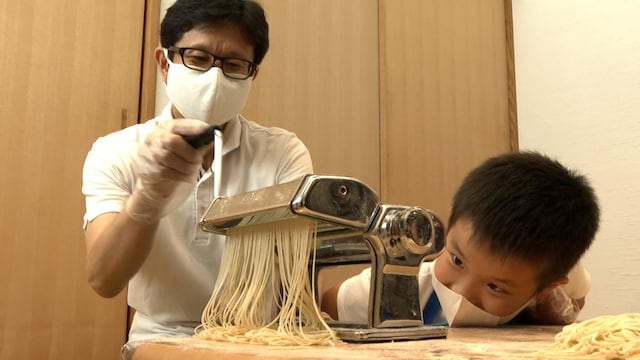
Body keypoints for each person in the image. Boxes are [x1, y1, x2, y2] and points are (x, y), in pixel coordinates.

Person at [81, 0, 313, 342]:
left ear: (253, 74)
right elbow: (104, 279)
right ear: (164, 63)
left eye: (234, 64)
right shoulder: (116, 152)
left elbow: (295, 277)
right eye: (198, 58)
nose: (215, 78)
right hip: (160, 339)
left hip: (256, 339)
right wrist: (148, 197)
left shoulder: (282, 153)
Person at [321, 151, 600, 327]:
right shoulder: (401, 289)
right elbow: (330, 302)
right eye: (457, 260)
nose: (463, 290)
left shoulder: (551, 273)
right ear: (450, 223)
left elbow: (578, 294)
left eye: (495, 286)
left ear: (545, 288)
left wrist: (550, 311)